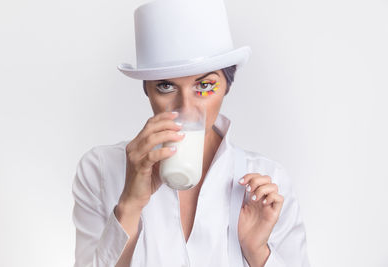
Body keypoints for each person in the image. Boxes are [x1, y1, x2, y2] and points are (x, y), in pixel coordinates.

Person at [72, 0, 311, 266]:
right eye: (166, 86)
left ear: (226, 86)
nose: (185, 107)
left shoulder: (268, 184)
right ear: (147, 89)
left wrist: (257, 252)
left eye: (205, 85)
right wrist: (129, 205)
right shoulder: (101, 170)